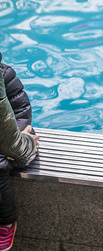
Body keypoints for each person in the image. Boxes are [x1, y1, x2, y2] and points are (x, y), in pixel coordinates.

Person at [0, 53, 39, 251]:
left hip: (13, 138)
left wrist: (21, 133)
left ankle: (5, 223)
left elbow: (22, 110)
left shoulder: (5, 74)